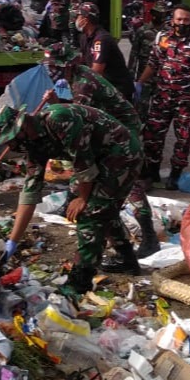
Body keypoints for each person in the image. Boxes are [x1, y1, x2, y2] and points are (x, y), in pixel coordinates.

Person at [0, 103, 143, 293]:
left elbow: (83, 163)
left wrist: (82, 199)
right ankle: (126, 259)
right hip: (97, 159)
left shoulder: (59, 119)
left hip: (121, 154)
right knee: (103, 210)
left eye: (11, 139)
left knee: (91, 212)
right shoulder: (34, 144)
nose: (11, 146)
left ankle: (80, 281)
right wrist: (12, 242)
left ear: (22, 127)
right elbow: (30, 193)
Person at [43, 43, 158, 259]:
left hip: (124, 131)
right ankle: (73, 206)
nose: (51, 71)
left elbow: (76, 117)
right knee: (86, 171)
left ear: (67, 65)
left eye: (54, 67)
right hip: (108, 128)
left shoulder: (83, 83)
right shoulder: (76, 76)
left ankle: (149, 235)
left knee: (125, 179)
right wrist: (56, 101)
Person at [136, 4, 190, 190]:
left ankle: (175, 174)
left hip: (186, 100)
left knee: (184, 139)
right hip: (162, 97)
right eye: (179, 19)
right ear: (172, 20)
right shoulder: (163, 39)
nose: (182, 23)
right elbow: (153, 63)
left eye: (186, 19)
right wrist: (139, 82)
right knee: (152, 135)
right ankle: (152, 171)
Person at [74, 1, 134, 100]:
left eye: (78, 17)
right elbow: (82, 62)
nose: (75, 20)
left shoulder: (101, 39)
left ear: (85, 20)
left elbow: (96, 71)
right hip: (105, 87)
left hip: (117, 90)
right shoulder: (84, 37)